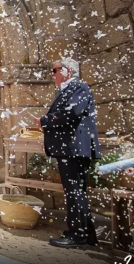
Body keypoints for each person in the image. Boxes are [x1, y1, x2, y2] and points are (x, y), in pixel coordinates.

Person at [35, 58, 100, 248]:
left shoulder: (80, 87)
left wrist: (45, 121)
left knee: (75, 192)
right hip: (69, 149)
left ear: (68, 70)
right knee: (75, 191)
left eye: (55, 70)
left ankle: (77, 236)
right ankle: (86, 234)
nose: (52, 74)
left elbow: (72, 113)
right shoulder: (69, 90)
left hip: (74, 149)